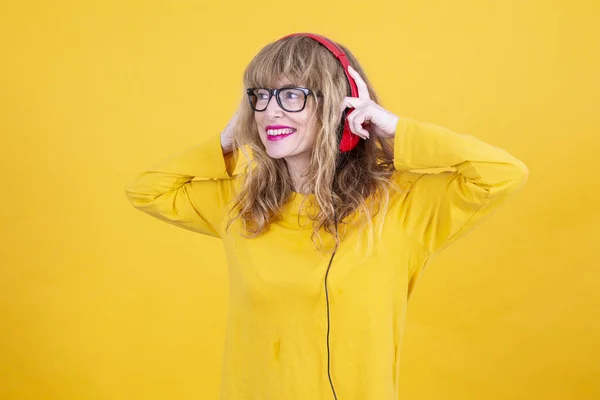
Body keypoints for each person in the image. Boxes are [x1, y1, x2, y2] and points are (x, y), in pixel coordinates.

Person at [125, 33, 528, 400]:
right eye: (260, 96)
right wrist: (226, 140)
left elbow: (501, 173)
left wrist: (393, 129)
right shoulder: (240, 203)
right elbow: (146, 190)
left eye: (291, 95)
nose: (269, 112)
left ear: (339, 104)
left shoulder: (400, 204)